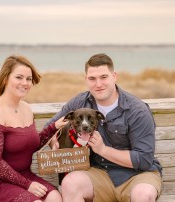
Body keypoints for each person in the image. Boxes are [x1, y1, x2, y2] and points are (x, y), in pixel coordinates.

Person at [47, 53, 163, 202]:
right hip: (98, 174)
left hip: (137, 176)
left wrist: (103, 150)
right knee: (69, 184)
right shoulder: (80, 103)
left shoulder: (137, 110)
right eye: (92, 79)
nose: (98, 84)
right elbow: (50, 127)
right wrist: (54, 143)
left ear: (114, 76)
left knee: (144, 195)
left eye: (104, 77)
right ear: (86, 80)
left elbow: (144, 159)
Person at [0, 55, 67, 202]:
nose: (25, 83)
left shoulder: (26, 108)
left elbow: (29, 145)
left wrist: (53, 127)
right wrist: (27, 185)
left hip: (22, 175)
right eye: (19, 77)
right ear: (6, 78)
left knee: (55, 198)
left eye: (28, 79)